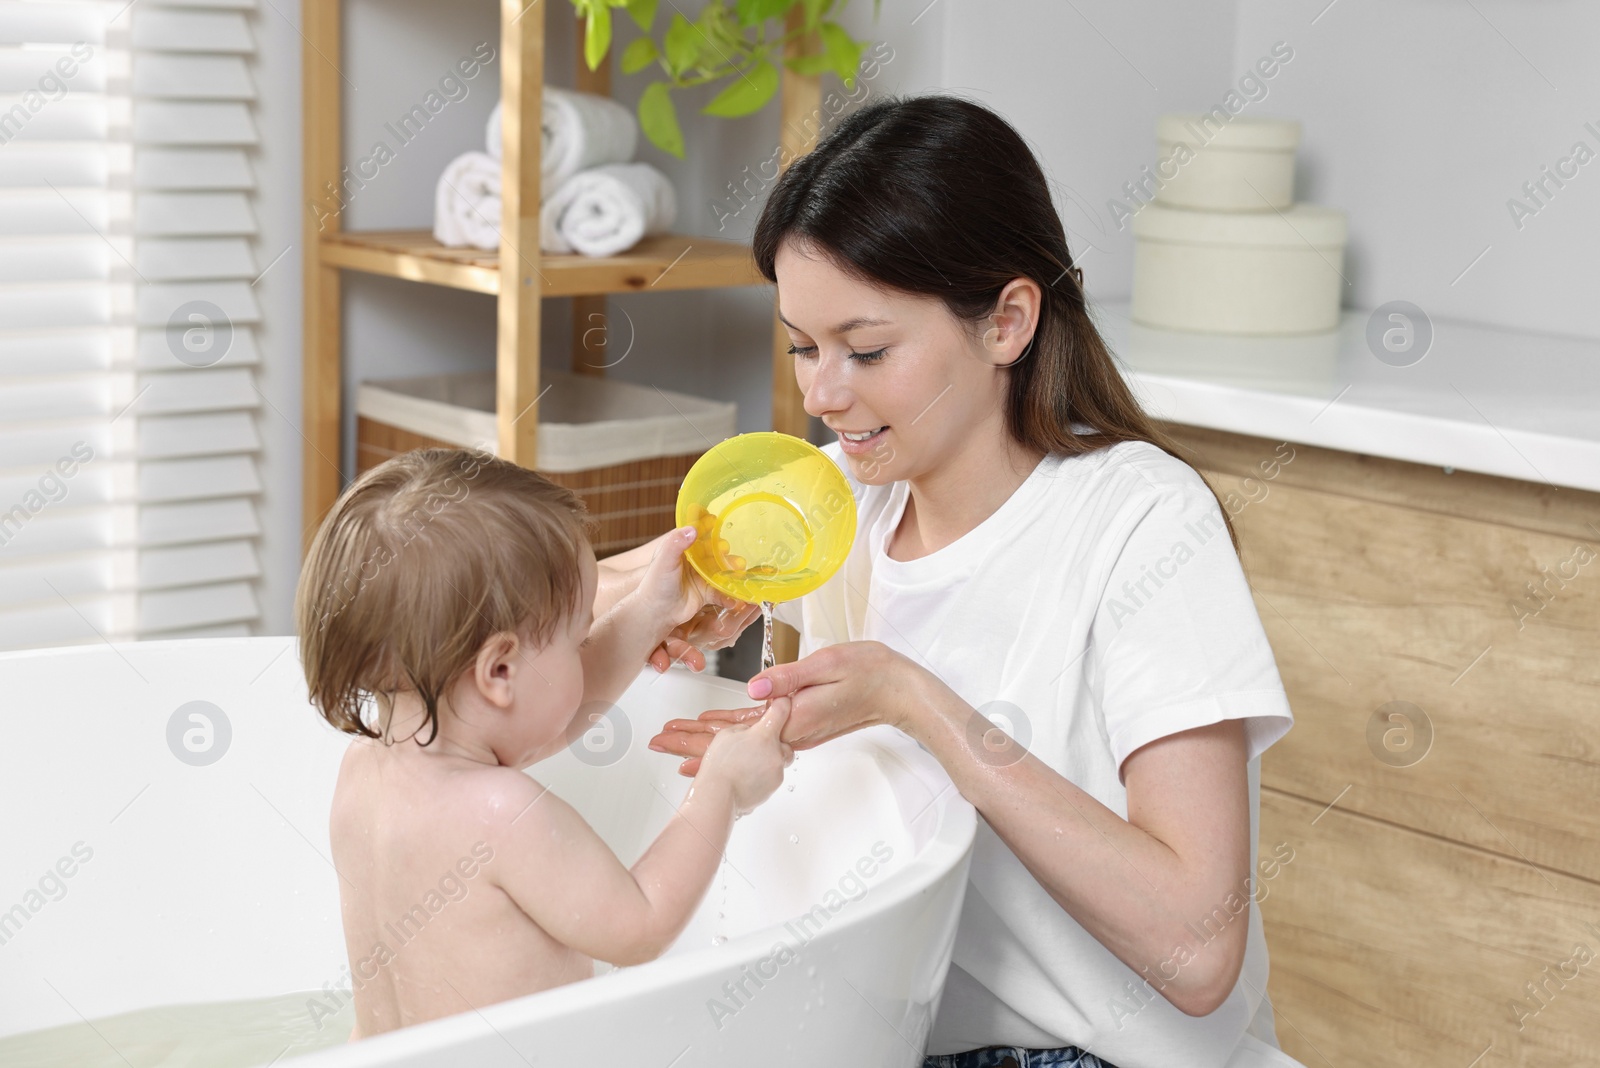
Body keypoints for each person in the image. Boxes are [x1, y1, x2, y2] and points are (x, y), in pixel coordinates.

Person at [642, 95, 1306, 1068]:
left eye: (865, 350)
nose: (822, 394)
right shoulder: (836, 497)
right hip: (894, 1034)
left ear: (1006, 321)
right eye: (802, 346)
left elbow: (1197, 947)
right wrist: (666, 605)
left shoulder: (1139, 524)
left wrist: (915, 703)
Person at [293, 447, 792, 1040]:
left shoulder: (367, 769)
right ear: (499, 672)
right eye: (579, 638)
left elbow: (535, 724)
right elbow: (641, 925)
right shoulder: (504, 813)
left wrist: (651, 610)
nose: (585, 649)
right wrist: (724, 788)